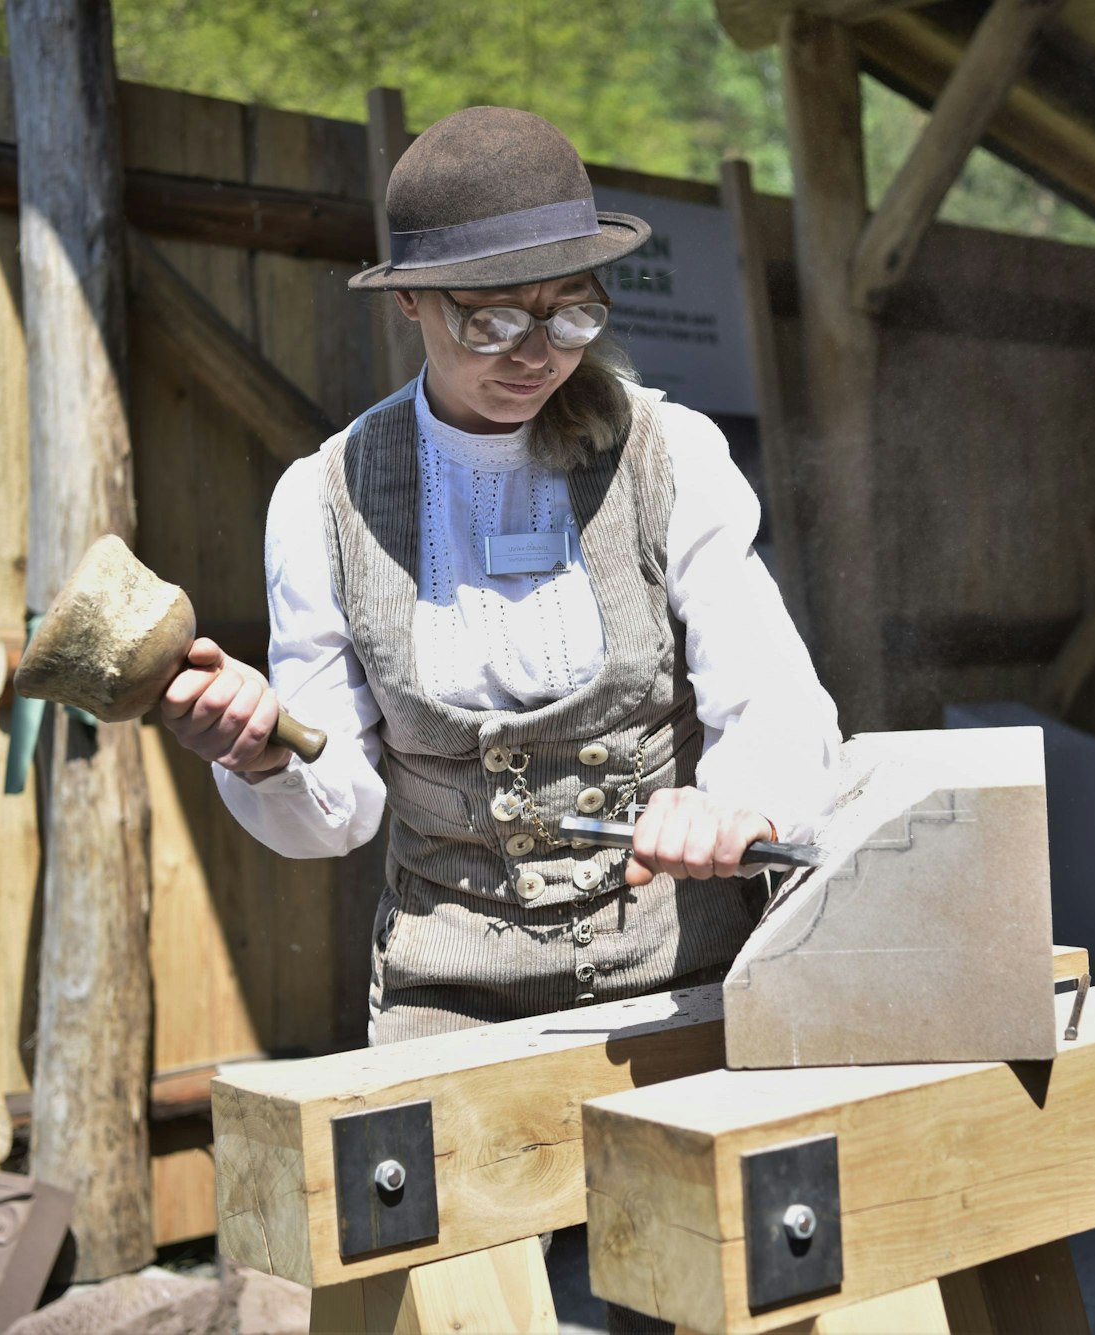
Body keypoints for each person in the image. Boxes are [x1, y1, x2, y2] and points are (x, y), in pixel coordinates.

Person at [156, 106, 840, 1046]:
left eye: (572, 311)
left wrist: (737, 802)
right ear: (410, 302)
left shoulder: (671, 453)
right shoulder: (322, 501)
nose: (536, 353)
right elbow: (339, 810)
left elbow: (774, 699)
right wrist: (264, 748)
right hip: (450, 998)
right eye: (494, 319)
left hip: (690, 979)